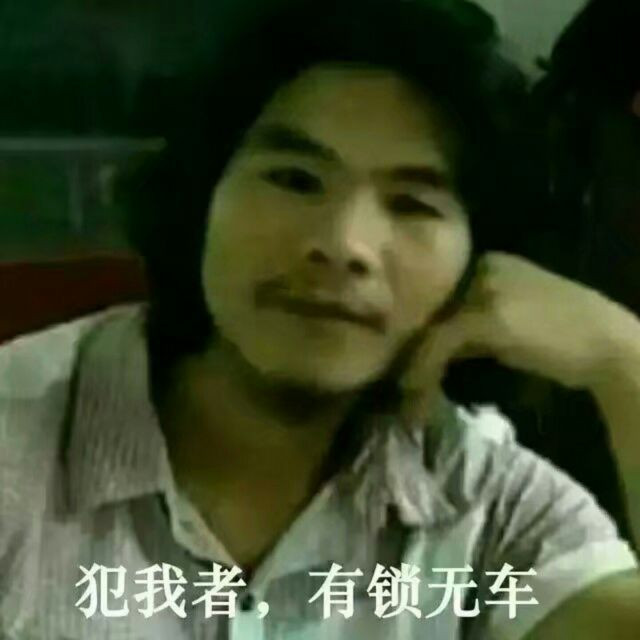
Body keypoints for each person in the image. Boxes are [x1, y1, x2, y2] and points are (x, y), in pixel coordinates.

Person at [1, 0, 639, 638]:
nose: (342, 244)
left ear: (483, 263)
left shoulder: (485, 501)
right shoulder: (17, 443)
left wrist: (623, 360)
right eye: (295, 179)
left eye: (412, 204)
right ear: (201, 198)